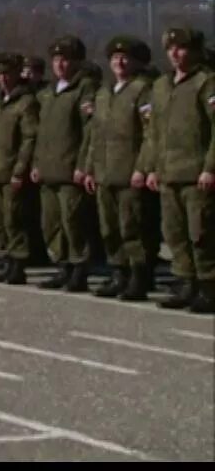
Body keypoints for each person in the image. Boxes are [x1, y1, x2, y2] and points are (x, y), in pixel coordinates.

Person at [137, 27, 215, 312]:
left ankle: (208, 286)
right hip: (168, 173)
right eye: (170, 48)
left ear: (195, 50)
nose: (174, 53)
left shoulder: (206, 82)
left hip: (196, 174)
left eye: (181, 48)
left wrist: (210, 167)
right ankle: (185, 283)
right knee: (174, 232)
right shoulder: (160, 86)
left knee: (201, 232)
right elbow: (153, 132)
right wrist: (151, 168)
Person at [82, 36, 157, 300]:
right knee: (109, 228)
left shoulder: (142, 90)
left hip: (128, 172)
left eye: (125, 58)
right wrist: (90, 168)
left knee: (132, 227)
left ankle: (139, 277)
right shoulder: (104, 93)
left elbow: (151, 134)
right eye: (115, 58)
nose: (119, 62)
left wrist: (143, 167)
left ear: (136, 62)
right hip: (104, 172)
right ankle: (119, 274)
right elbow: (95, 135)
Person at [33, 36, 98, 292]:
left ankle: (79, 269)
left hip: (71, 169)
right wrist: (37, 163)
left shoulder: (84, 89)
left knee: (74, 222)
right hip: (49, 169)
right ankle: (63, 266)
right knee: (51, 222)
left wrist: (83, 165)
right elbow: (42, 133)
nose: (60, 64)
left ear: (78, 62)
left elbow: (89, 131)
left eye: (66, 59)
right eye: (57, 59)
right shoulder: (48, 93)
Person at [0, 52, 39, 284]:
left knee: (14, 220)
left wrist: (19, 170)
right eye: (0, 74)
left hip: (10, 170)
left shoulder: (26, 102)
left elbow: (29, 138)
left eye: (7, 73)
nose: (3, 78)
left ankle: (18, 264)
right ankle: (5, 260)